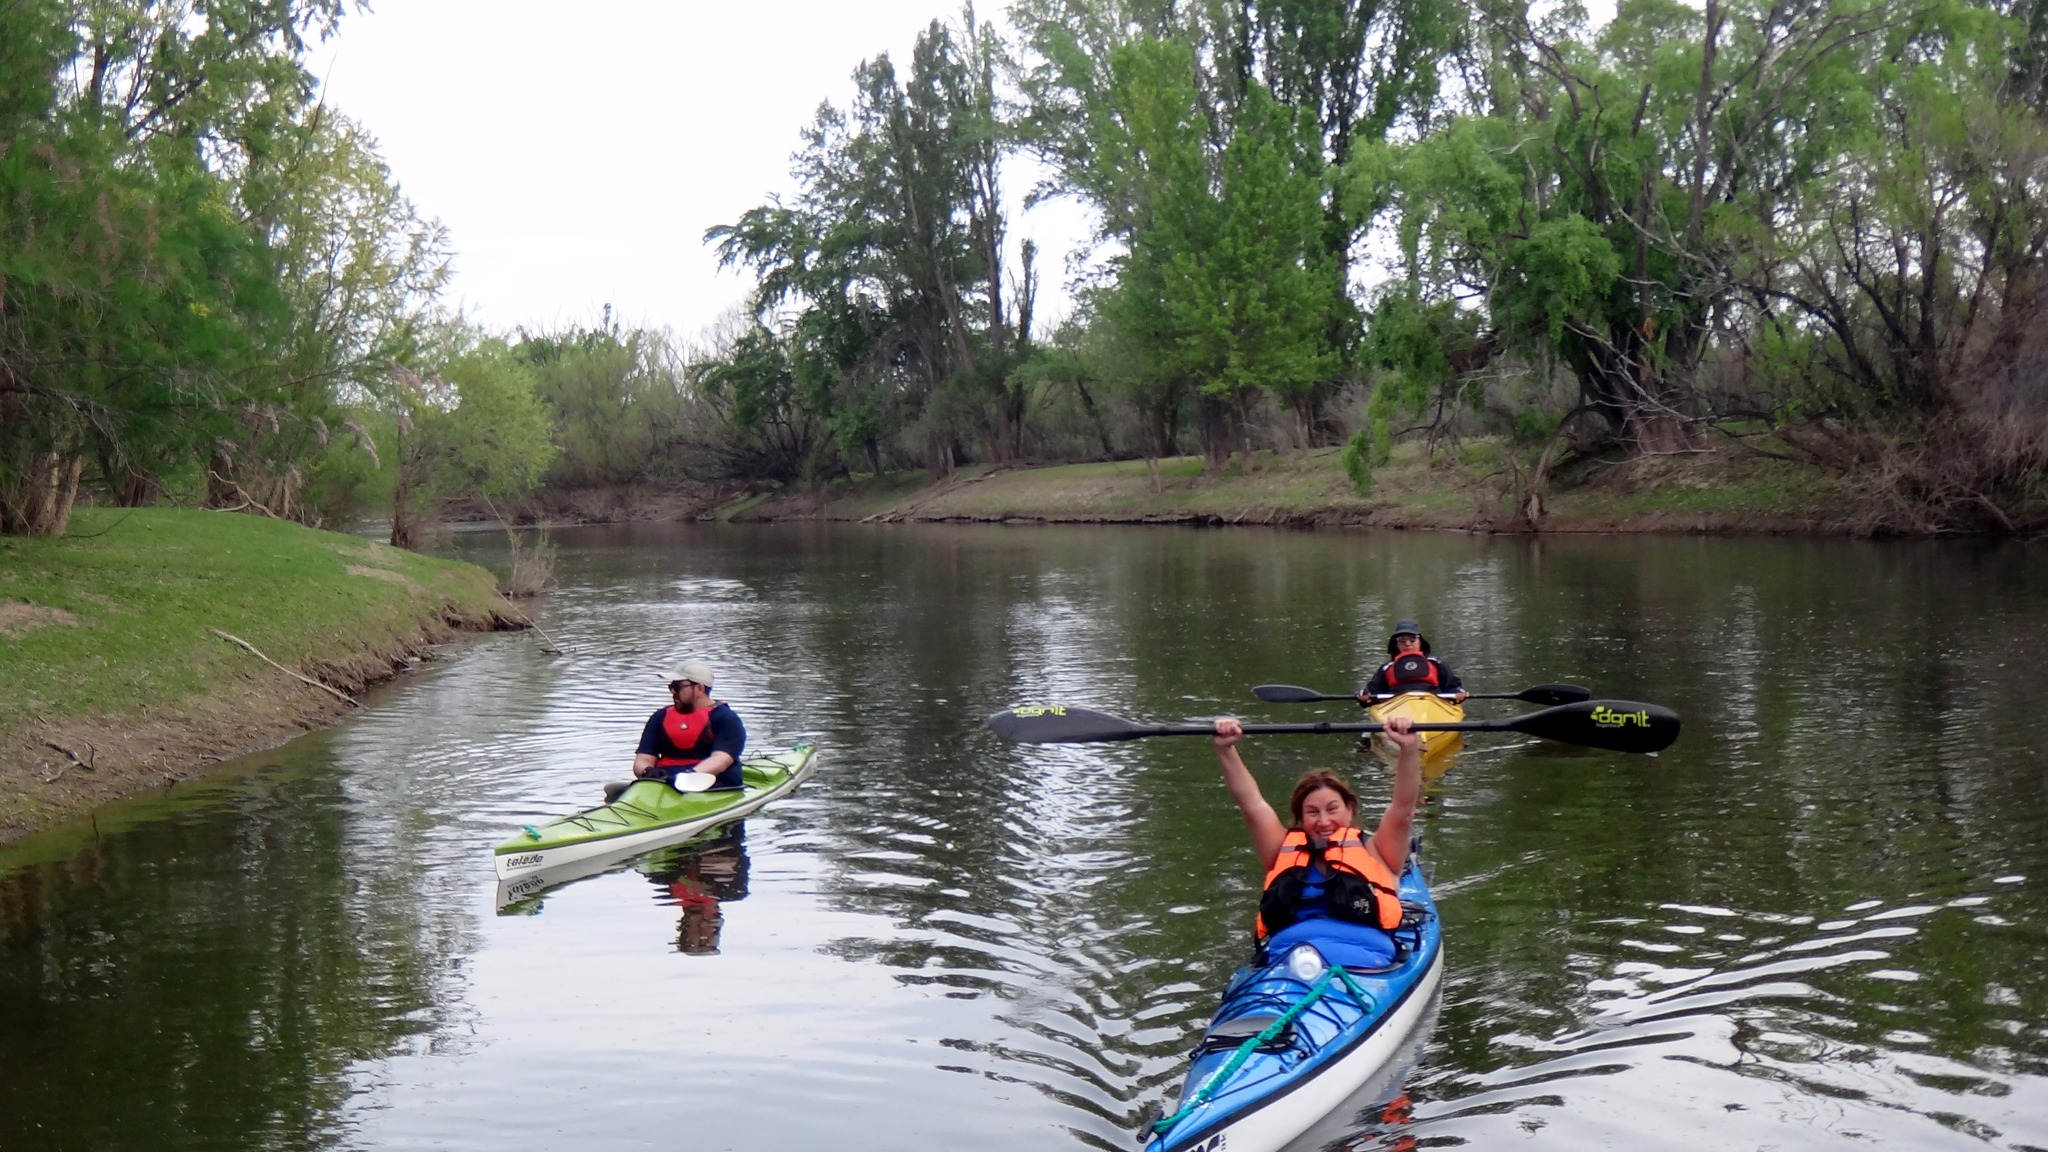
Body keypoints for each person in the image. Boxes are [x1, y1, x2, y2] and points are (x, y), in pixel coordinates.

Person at [1210, 713, 1423, 969]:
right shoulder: (1281, 849)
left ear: (1350, 809)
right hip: (1286, 963)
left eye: (1332, 809)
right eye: (1312, 812)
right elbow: (1251, 805)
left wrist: (1408, 748)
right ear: (1300, 817)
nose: (1323, 821)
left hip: (1366, 964)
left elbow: (1403, 809)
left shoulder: (1376, 850)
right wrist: (1226, 749)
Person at [605, 660, 747, 803]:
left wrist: (689, 776)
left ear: (699, 689)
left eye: (677, 686)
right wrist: (647, 771)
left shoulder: (726, 719)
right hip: (666, 780)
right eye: (671, 686)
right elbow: (643, 759)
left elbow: (721, 760)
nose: (672, 691)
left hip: (713, 782)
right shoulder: (660, 717)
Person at [1360, 619, 1467, 704]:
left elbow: (1454, 687)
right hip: (1397, 705)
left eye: (1412, 639)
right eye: (1402, 640)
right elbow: (1371, 693)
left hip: (1433, 704)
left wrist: (1458, 693)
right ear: (1397, 644)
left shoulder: (1436, 663)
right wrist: (1365, 696)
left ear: (1420, 641)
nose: (1407, 643)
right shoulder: (1386, 668)